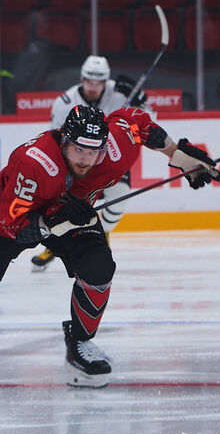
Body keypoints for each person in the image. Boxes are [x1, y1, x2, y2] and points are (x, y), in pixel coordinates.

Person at [0, 105, 220, 388]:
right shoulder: (35, 162)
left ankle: (79, 345)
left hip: (72, 213)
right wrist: (51, 221)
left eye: (94, 151)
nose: (87, 159)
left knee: (99, 267)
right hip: (14, 216)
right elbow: (10, 226)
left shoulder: (116, 147)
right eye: (79, 150)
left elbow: (139, 122)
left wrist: (178, 154)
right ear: (64, 141)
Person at [31, 55, 152, 272]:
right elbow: (56, 142)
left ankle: (102, 234)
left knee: (120, 195)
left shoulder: (121, 93)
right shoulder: (65, 103)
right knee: (64, 206)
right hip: (77, 164)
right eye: (89, 81)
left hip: (109, 161)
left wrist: (140, 101)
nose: (93, 87)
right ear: (81, 78)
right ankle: (54, 245)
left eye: (99, 83)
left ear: (106, 81)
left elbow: (147, 125)